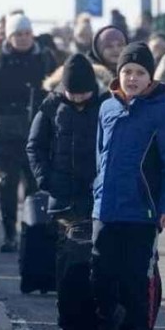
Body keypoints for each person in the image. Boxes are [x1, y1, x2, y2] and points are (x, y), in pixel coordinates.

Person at [92, 42, 165, 330]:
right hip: (106, 207)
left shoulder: (162, 111)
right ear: (118, 74)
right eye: (127, 72)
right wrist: (97, 191)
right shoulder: (107, 108)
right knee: (100, 272)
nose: (132, 78)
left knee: (136, 276)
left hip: (142, 209)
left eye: (139, 73)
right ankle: (108, 319)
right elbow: (100, 155)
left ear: (150, 77)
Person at [0, 13, 57, 252]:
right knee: (7, 185)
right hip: (6, 135)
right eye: (17, 35)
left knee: (35, 186)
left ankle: (32, 232)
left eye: (26, 34)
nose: (22, 39)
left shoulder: (44, 58)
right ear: (9, 36)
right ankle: (10, 233)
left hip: (38, 132)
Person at [26, 53, 102, 235]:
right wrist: (45, 179)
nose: (78, 99)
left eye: (83, 93)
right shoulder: (51, 107)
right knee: (62, 249)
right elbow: (35, 145)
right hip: (61, 193)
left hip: (96, 193)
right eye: (73, 94)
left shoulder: (104, 105)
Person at [44, 26, 125, 94]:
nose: (116, 50)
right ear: (99, 49)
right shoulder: (85, 70)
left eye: (120, 45)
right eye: (109, 46)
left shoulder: (132, 71)